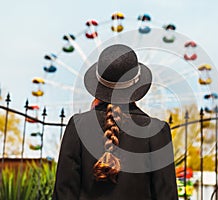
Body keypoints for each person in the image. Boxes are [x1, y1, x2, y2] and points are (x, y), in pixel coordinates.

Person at [52, 44, 179, 200]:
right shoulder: (157, 131)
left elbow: (63, 193)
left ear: (98, 85)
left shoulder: (78, 126)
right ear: (137, 86)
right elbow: (167, 195)